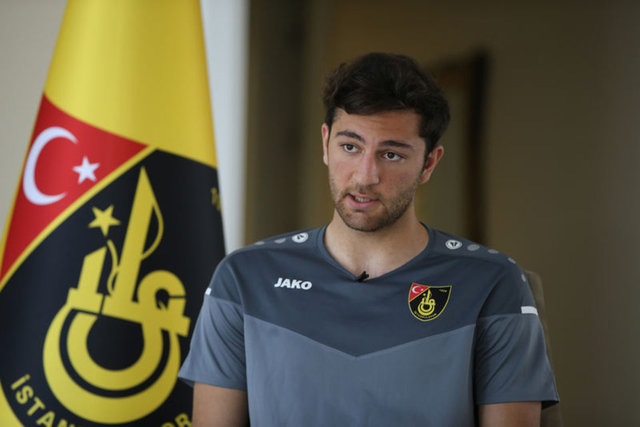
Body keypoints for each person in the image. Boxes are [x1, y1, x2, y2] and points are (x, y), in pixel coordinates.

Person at [179, 52, 559, 426]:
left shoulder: (492, 282)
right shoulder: (244, 278)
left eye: (391, 155)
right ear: (325, 142)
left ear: (429, 163)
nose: (365, 176)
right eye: (350, 147)